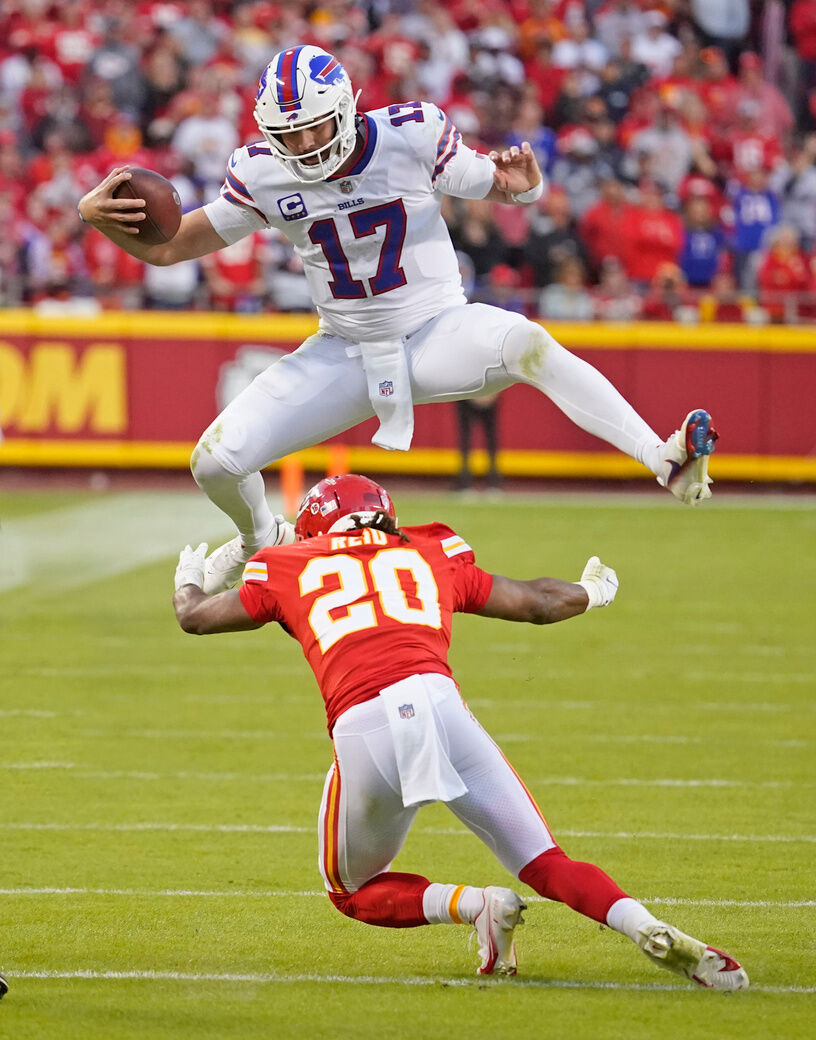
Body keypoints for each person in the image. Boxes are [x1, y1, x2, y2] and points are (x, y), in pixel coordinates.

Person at [78, 44, 718, 595]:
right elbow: (169, 247)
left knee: (529, 344)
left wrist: (521, 183)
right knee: (214, 463)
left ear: (348, 109)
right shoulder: (263, 173)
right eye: (289, 134)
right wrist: (97, 216)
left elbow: (500, 187)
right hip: (343, 349)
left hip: (436, 329)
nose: (302, 145)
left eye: (313, 127)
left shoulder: (410, 134)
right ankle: (258, 539)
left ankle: (662, 459)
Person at [172, 473, 749, 989]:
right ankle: (646, 927)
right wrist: (592, 593)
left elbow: (196, 618)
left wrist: (192, 579)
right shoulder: (428, 551)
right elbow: (538, 603)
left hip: (367, 721)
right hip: (442, 706)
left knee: (351, 891)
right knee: (547, 862)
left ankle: (475, 904)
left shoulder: (290, 566)